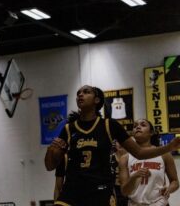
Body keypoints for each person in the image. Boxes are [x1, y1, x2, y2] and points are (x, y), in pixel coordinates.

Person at [45, 85, 180, 206]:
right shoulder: (69, 129)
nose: (80, 94)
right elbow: (49, 166)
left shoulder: (110, 125)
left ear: (97, 100)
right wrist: (51, 150)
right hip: (73, 190)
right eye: (78, 93)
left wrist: (169, 147)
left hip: (99, 190)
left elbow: (139, 152)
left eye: (86, 92)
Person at [119, 119, 179, 206]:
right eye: (135, 126)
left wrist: (169, 189)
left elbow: (175, 181)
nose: (138, 127)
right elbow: (124, 192)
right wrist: (134, 176)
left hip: (159, 203)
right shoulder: (125, 158)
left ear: (151, 133)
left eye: (143, 125)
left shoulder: (164, 154)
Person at [110, 141, 128, 206]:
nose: (120, 143)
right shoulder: (109, 158)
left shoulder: (133, 158)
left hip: (129, 189)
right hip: (114, 190)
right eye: (118, 141)